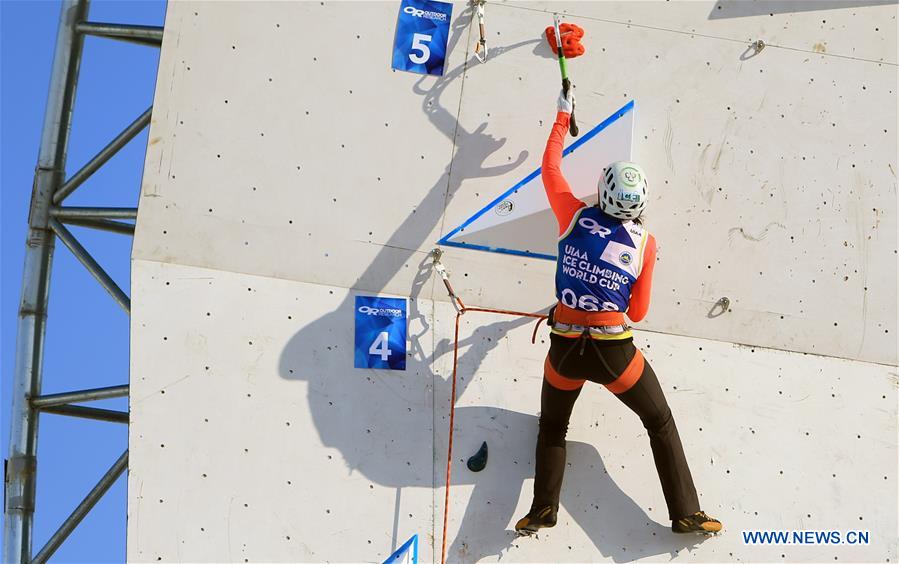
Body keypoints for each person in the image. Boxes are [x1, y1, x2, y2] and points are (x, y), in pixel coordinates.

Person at [514, 89, 723, 536]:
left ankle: (543, 509)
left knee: (552, 426)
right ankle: (686, 512)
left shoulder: (570, 215)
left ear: (603, 191)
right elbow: (640, 312)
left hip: (565, 349)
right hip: (614, 353)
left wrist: (561, 116)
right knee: (659, 421)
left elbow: (550, 168)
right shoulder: (646, 244)